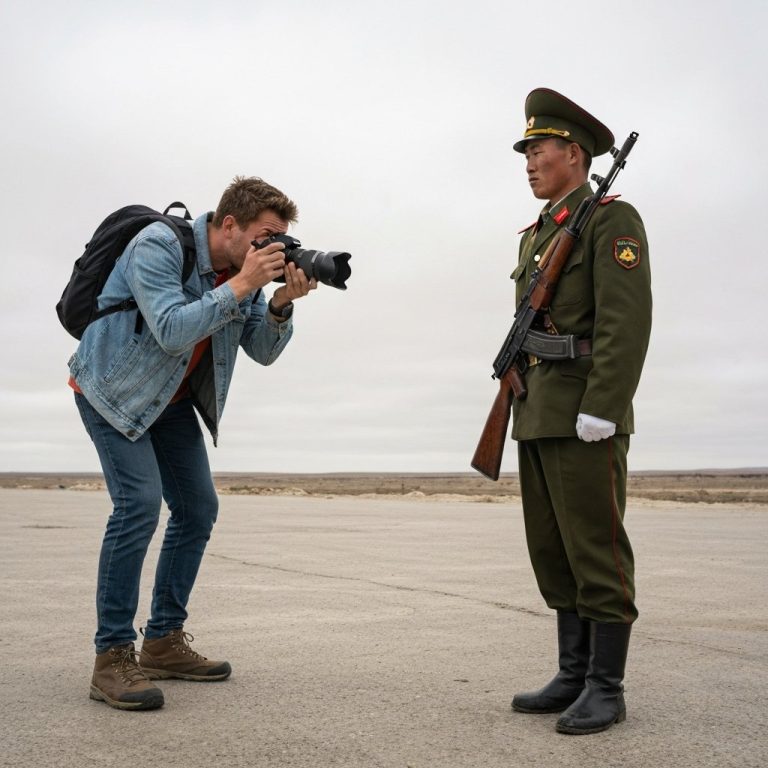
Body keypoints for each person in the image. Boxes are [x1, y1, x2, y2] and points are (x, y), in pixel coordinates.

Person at [68, 176, 316, 711]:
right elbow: (171, 329)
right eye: (266, 236)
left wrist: (279, 304)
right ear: (229, 225)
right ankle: (112, 657)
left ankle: (162, 641)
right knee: (138, 506)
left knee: (198, 509)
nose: (272, 248)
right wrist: (243, 284)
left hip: (172, 401)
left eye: (280, 239)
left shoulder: (242, 273)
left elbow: (262, 351)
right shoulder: (158, 245)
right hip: (114, 390)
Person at [505, 89, 652, 734]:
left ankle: (605, 686)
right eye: (527, 152)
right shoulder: (537, 234)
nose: (529, 162)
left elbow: (625, 322)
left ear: (573, 153)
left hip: (584, 414)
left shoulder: (610, 221)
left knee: (595, 547)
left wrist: (604, 407)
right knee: (552, 548)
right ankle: (572, 673)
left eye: (538, 150)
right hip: (536, 410)